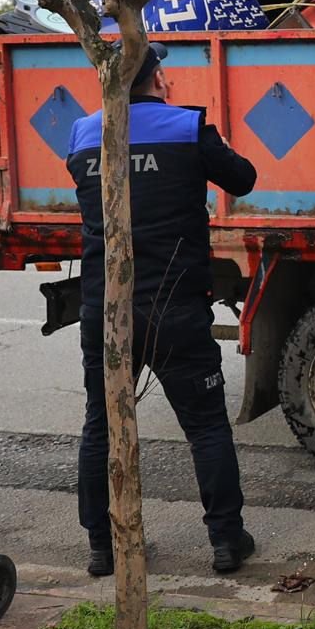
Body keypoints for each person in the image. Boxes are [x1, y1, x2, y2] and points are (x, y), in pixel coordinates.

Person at [66, 42, 259, 576]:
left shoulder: (84, 134)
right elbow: (243, 179)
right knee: (205, 428)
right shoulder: (185, 128)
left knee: (100, 425)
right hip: (175, 305)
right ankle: (225, 541)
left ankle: (102, 547)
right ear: (157, 77)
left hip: (105, 309)